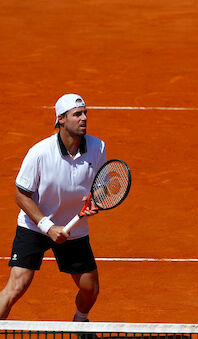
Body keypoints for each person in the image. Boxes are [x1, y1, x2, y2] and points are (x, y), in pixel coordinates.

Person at [0, 94, 106, 321]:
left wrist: (95, 201)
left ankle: (80, 321)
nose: (84, 118)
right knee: (16, 286)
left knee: (90, 289)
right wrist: (48, 227)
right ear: (61, 119)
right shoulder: (40, 152)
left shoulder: (97, 147)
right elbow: (21, 195)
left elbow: (102, 187)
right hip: (36, 225)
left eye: (85, 113)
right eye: (77, 114)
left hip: (73, 228)